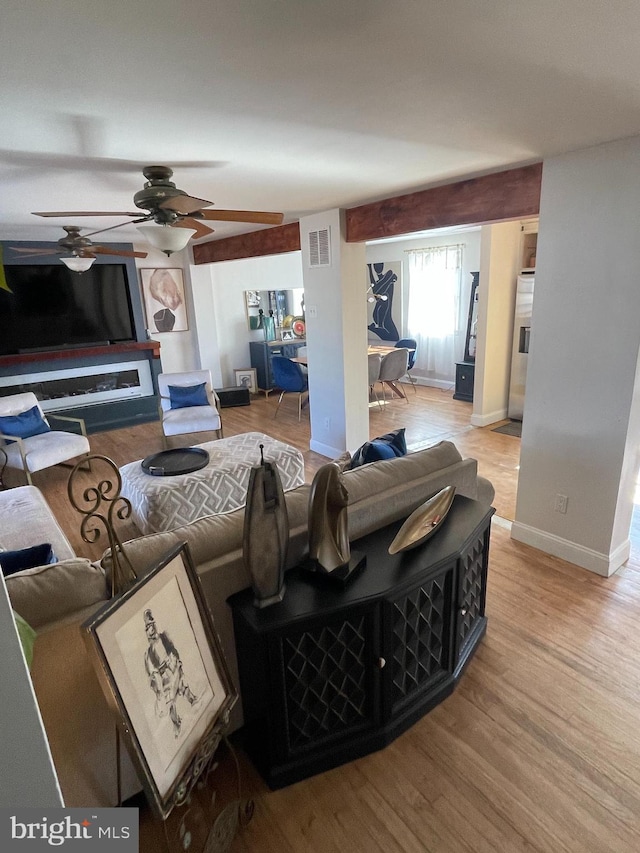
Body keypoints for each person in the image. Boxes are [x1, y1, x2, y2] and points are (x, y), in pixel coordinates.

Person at [143, 608, 197, 738]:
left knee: (182, 685)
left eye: (152, 625)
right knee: (170, 700)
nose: (152, 629)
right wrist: (158, 684)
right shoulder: (149, 652)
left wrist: (175, 660)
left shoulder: (163, 637)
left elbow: (172, 648)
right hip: (164, 675)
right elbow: (152, 672)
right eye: (148, 627)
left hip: (172, 665)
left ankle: (192, 699)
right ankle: (176, 723)